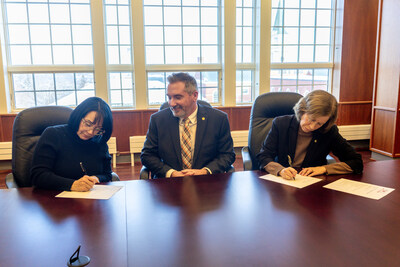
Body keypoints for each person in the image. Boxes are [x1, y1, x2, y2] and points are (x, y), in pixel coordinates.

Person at [141, 72, 235, 178]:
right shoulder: (158, 120)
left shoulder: (218, 119)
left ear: (194, 96)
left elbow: (227, 155)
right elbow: (147, 155)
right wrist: (171, 173)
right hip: (168, 183)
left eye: (178, 97)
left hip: (206, 181)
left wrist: (205, 171)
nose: (171, 103)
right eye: (169, 97)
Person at [257, 90, 363, 180]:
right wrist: (280, 170)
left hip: (312, 185)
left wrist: (323, 168)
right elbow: (263, 156)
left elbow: (356, 162)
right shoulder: (281, 124)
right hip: (284, 183)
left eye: (319, 123)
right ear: (302, 110)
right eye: (311, 119)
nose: (312, 127)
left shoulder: (328, 131)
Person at [31, 97, 114, 191]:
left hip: (90, 200)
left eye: (98, 129)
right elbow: (38, 176)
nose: (91, 132)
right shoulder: (53, 135)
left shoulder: (99, 141)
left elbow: (107, 175)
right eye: (88, 124)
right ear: (79, 116)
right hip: (54, 199)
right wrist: (72, 184)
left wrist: (96, 178)